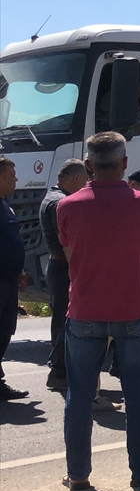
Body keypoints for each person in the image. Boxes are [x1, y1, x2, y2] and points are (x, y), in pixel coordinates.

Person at [57, 132, 140, 490]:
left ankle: (78, 475)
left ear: (88, 166)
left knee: (80, 394)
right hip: (135, 308)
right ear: (124, 163)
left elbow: (72, 256)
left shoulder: (67, 206)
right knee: (137, 392)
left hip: (86, 309)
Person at [40, 159, 89, 390]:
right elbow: (69, 242)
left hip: (59, 266)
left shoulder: (53, 198)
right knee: (65, 320)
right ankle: (59, 371)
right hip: (64, 267)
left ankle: (62, 369)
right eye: (85, 180)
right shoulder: (60, 203)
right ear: (76, 179)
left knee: (64, 318)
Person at [1, 157, 30, 401]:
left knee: (5, 330)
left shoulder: (4, 203)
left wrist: (19, 271)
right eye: (12, 174)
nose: (16, 179)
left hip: (8, 281)